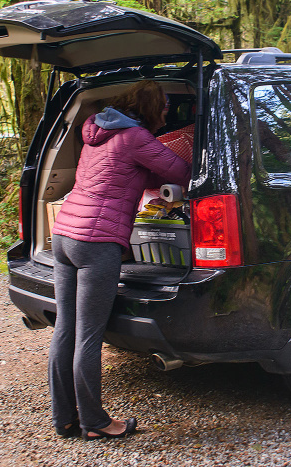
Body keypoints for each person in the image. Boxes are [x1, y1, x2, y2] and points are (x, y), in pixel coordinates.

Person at [48, 81, 190, 440]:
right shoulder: (137, 138)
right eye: (163, 108)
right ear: (150, 107)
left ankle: (65, 419)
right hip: (97, 242)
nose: (165, 115)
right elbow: (181, 172)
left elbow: (131, 172)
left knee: (66, 329)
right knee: (90, 335)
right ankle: (95, 423)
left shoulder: (98, 132)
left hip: (64, 234)